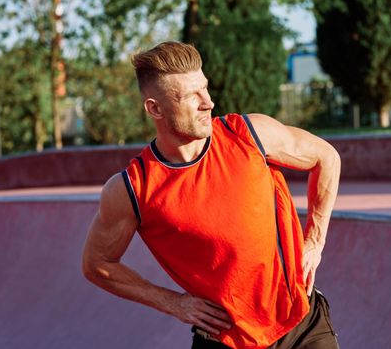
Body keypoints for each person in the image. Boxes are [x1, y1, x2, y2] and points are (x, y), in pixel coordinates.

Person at [81, 41, 341, 349]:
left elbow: (326, 157)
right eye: (192, 95)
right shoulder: (133, 188)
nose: (208, 102)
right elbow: (97, 263)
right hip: (223, 339)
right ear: (155, 108)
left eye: (204, 88)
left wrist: (314, 240)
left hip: (302, 322)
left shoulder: (247, 134)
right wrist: (173, 303)